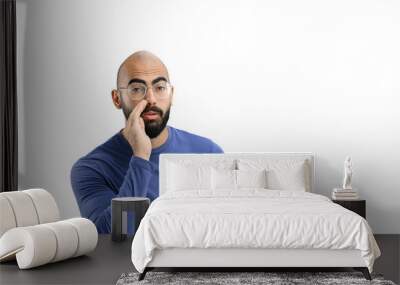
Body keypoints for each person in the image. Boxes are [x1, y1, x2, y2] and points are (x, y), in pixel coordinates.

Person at [70, 51, 223, 233]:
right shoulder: (91, 169)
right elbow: (108, 236)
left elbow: (223, 226)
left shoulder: (209, 153)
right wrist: (141, 157)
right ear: (117, 98)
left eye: (159, 87)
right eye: (137, 89)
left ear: (171, 94)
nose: (151, 99)